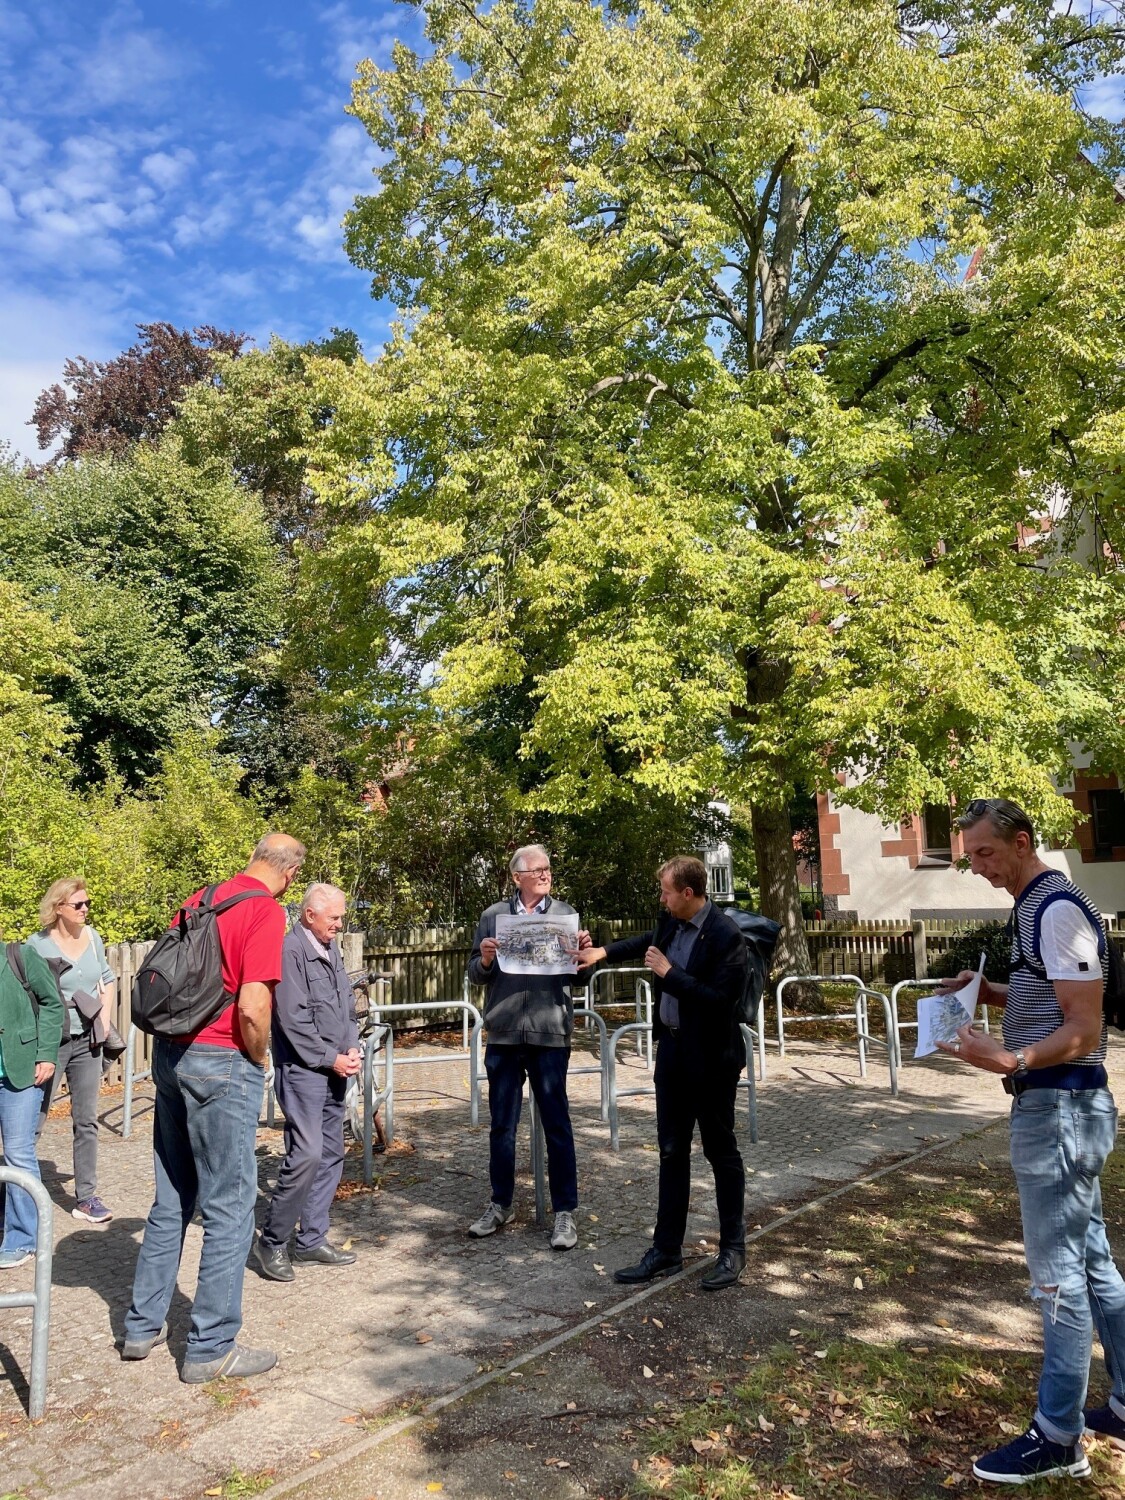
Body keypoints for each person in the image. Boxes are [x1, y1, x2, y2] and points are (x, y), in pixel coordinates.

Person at [935, 797, 1125, 1484]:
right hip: (1063, 1109)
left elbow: (1082, 1027)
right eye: (968, 856)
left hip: (1059, 1111)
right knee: (1094, 1268)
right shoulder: (1035, 910)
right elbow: (1045, 996)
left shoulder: (1057, 909)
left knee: (1058, 1283)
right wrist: (983, 990)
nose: (975, 867)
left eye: (984, 853)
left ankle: (1057, 1437)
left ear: (1019, 842)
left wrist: (1008, 1060)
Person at [122, 833, 306, 1384]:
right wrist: (259, 1061)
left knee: (172, 1196)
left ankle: (141, 1326)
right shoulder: (266, 913)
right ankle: (210, 1347)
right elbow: (253, 1006)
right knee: (230, 1206)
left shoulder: (203, 897)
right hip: (222, 1060)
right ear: (291, 874)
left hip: (172, 1055)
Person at [574, 856, 749, 1291]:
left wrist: (670, 975)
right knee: (671, 1152)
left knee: (720, 1152)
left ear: (688, 894)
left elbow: (719, 1001)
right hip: (671, 1054)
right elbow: (645, 943)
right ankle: (666, 1250)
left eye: (667, 891)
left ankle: (732, 1249)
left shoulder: (727, 936)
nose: (662, 898)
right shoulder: (670, 922)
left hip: (711, 1061)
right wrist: (602, 953)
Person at [466, 844, 591, 1250]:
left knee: (558, 1125)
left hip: (549, 1033)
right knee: (502, 1125)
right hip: (503, 1033)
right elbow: (475, 974)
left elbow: (579, 980)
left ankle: (565, 1213)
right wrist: (484, 960)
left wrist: (586, 958)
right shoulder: (493, 917)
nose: (545, 875)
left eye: (548, 869)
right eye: (537, 870)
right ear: (517, 876)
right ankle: (501, 1204)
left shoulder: (565, 915)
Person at [252, 883, 360, 1282]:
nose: (339, 923)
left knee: (332, 1153)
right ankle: (273, 1241)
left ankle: (312, 1239)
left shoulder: (330, 948)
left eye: (341, 916)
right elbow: (292, 1020)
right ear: (310, 915)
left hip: (335, 1069)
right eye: (334, 917)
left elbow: (347, 1004)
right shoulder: (290, 950)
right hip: (303, 1072)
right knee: (307, 1154)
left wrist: (352, 1048)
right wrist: (330, 1058)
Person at [27, 878, 117, 1223]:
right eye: (77, 905)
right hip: (50, 1042)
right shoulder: (36, 946)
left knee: (87, 1119)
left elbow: (107, 978)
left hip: (87, 1040)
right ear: (57, 908)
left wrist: (105, 1017)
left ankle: (87, 1197)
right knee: (34, 1119)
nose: (85, 910)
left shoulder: (92, 937)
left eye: (87, 903)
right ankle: (16, 1193)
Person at [0, 939, 64, 1268]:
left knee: (17, 1151)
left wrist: (46, 1054)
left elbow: (52, 1004)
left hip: (22, 1067)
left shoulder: (20, 956)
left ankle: (23, 1236)